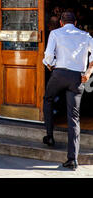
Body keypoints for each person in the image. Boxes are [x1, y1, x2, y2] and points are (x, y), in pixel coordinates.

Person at [43, 11, 93, 170]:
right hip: (77, 78)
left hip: (59, 73)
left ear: (61, 23)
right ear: (76, 22)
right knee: (74, 117)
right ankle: (72, 159)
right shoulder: (86, 36)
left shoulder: (55, 34)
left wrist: (49, 64)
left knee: (48, 99)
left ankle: (49, 136)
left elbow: (49, 56)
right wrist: (88, 73)